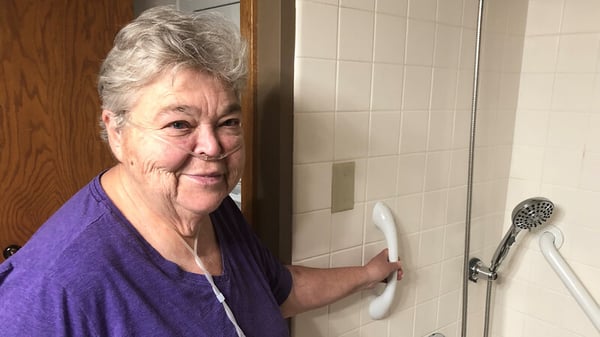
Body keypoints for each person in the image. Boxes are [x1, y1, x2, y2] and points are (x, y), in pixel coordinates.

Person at [0, 6, 403, 336]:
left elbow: (276, 289)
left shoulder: (208, 206)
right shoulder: (52, 291)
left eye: (228, 122)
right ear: (116, 131)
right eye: (179, 124)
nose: (213, 147)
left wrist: (367, 274)